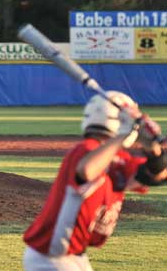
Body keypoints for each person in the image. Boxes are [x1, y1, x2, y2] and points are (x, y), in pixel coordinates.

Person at [22, 91, 167, 271]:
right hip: (50, 257)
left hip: (74, 257)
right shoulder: (85, 150)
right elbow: (87, 171)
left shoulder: (117, 158)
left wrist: (153, 150)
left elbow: (156, 175)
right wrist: (123, 135)